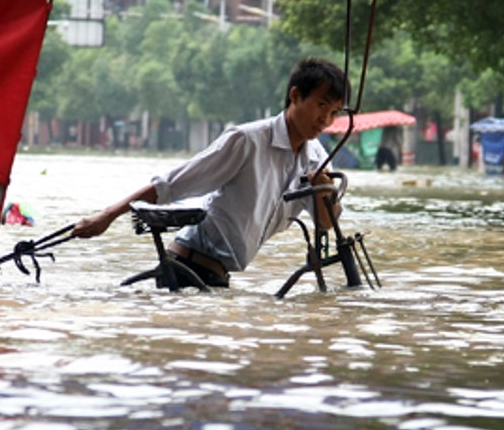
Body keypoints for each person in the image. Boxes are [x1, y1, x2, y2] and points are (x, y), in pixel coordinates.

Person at [72, 57, 347, 288]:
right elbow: (172, 185)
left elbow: (325, 224)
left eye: (334, 112)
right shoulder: (247, 140)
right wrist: (106, 217)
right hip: (187, 268)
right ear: (296, 96)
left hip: (218, 277)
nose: (326, 120)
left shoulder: (318, 159)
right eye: (321, 105)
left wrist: (326, 192)